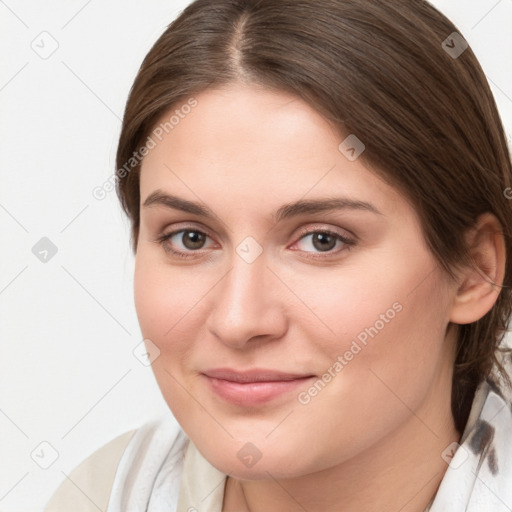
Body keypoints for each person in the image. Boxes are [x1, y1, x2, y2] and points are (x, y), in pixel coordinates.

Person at [45, 0, 512, 511]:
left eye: (322, 240)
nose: (238, 320)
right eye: (190, 238)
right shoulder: (99, 494)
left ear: (473, 272)